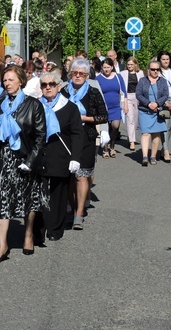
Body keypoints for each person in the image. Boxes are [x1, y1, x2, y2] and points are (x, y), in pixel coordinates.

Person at [0, 64, 46, 260]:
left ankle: (28, 235)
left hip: (24, 158)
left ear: (21, 81)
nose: (6, 83)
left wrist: (31, 161)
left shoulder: (33, 104)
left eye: (10, 80)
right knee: (1, 201)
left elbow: (40, 136)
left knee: (28, 200)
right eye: (5, 80)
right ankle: (2, 245)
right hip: (2, 158)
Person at [37, 71, 84, 242]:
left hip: (61, 156)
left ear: (58, 86)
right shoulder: (35, 105)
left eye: (51, 84)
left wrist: (75, 158)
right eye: (44, 85)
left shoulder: (70, 107)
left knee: (59, 193)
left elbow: (78, 134)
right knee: (39, 193)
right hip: (40, 157)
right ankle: (40, 227)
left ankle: (56, 227)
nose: (48, 87)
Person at [61, 59, 107, 230]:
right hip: (66, 139)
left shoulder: (93, 92)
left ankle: (79, 214)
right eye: (75, 73)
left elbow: (103, 116)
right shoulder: (63, 91)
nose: (78, 76)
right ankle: (70, 207)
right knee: (69, 176)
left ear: (87, 76)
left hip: (86, 137)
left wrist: (83, 119)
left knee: (81, 176)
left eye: (81, 74)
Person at [136, 60, 169, 166]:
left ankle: (153, 156)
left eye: (157, 69)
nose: (155, 71)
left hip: (157, 111)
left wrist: (157, 104)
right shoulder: (142, 80)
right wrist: (149, 104)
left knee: (156, 134)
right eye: (153, 69)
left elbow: (165, 95)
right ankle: (145, 156)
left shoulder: (163, 81)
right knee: (145, 133)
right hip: (145, 110)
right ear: (148, 69)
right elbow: (138, 94)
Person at [95, 57, 127, 158]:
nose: (106, 69)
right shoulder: (98, 78)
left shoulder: (118, 77)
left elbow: (123, 92)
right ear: (101, 67)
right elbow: (95, 93)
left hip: (116, 107)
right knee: (105, 129)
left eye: (108, 67)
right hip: (103, 108)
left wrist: (125, 105)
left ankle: (112, 146)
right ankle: (105, 149)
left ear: (112, 67)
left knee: (115, 126)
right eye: (104, 67)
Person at [119, 57, 144, 151]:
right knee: (130, 119)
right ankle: (132, 141)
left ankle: (131, 136)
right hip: (127, 97)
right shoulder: (123, 73)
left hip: (137, 97)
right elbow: (121, 88)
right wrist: (123, 101)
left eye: (131, 64)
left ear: (135, 65)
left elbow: (143, 85)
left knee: (136, 120)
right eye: (128, 64)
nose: (129, 66)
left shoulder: (140, 73)